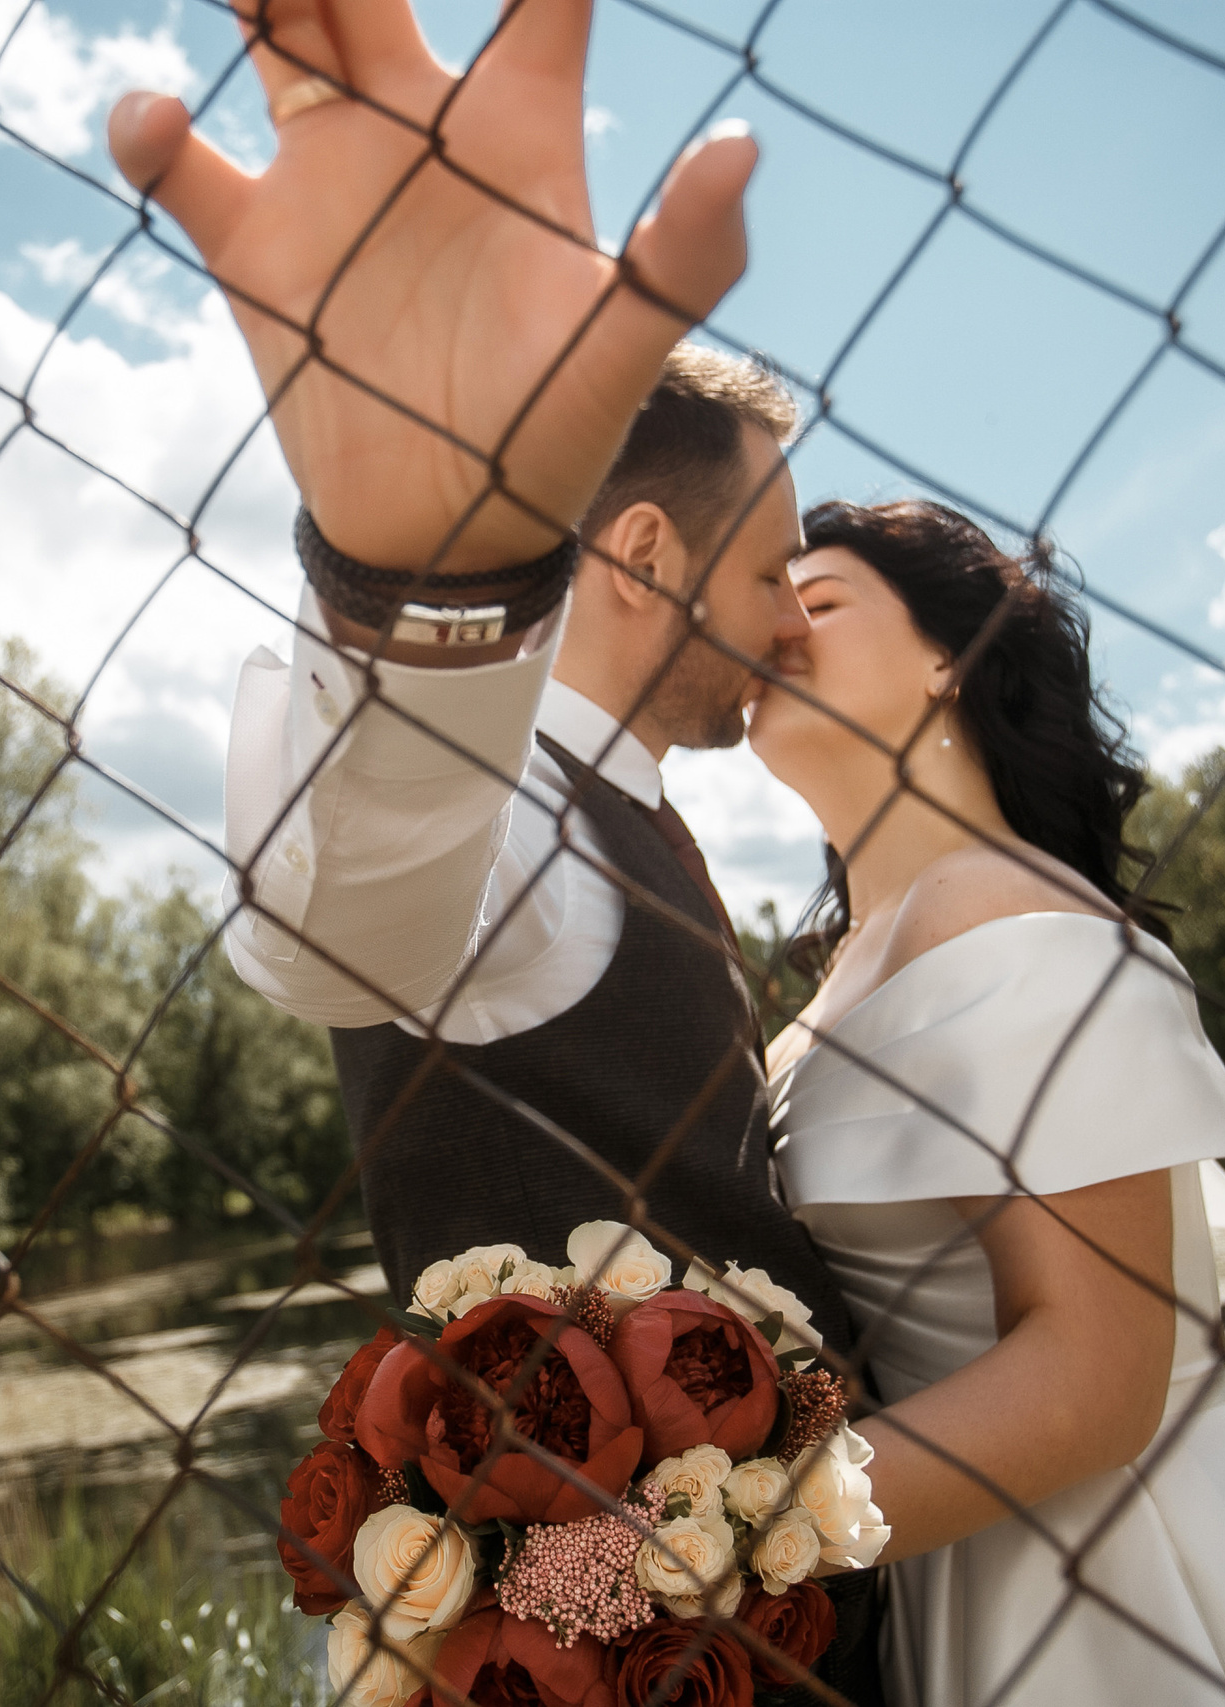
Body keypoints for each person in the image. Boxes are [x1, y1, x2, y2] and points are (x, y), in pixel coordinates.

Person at [107, 1, 887, 1697]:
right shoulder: (511, 808)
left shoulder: (641, 812)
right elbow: (338, 931)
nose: (789, 628)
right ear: (639, 551)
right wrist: (431, 587)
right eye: (764, 577)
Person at [754, 498, 1225, 1706]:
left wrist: (731, 1542)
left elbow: (1093, 1374)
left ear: (948, 660)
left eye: (818, 600)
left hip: (1120, 1577)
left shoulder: (1001, 903)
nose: (774, 624)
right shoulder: (819, 993)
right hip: (931, 1551)